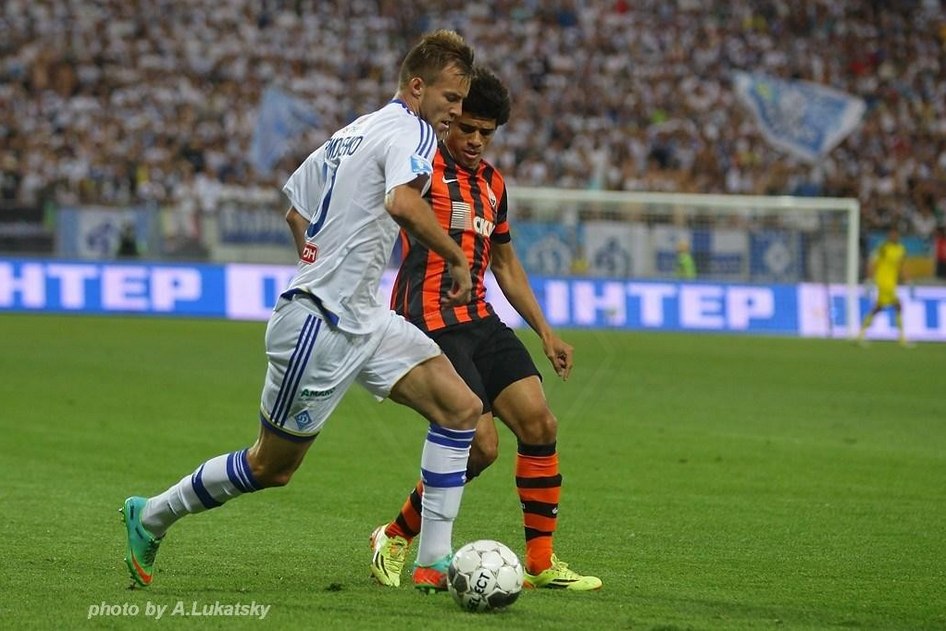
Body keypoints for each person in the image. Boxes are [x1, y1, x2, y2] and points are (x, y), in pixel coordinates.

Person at [120, 29, 484, 593]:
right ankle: (151, 515)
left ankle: (433, 561)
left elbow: (296, 208)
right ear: (417, 87)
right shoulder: (412, 131)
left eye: (461, 102)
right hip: (320, 325)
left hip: (362, 316)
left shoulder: (352, 133)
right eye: (451, 98)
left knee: (461, 409)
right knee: (271, 467)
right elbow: (401, 202)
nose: (456, 113)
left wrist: (320, 263)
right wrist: (455, 256)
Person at [370, 67, 601, 592]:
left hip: (480, 318)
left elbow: (506, 264)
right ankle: (396, 534)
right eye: (467, 128)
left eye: (486, 133)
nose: (475, 140)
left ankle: (540, 561)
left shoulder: (494, 184)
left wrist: (546, 332)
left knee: (540, 424)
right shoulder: (419, 166)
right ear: (449, 118)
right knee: (481, 447)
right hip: (429, 321)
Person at [857, 225, 909, 346]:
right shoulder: (883, 248)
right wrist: (869, 278)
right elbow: (873, 263)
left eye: (896, 234)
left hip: (892, 282)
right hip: (883, 282)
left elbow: (901, 266)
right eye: (892, 233)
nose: (894, 236)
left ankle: (860, 334)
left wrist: (908, 281)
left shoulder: (901, 249)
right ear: (888, 235)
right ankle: (902, 338)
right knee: (898, 305)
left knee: (878, 308)